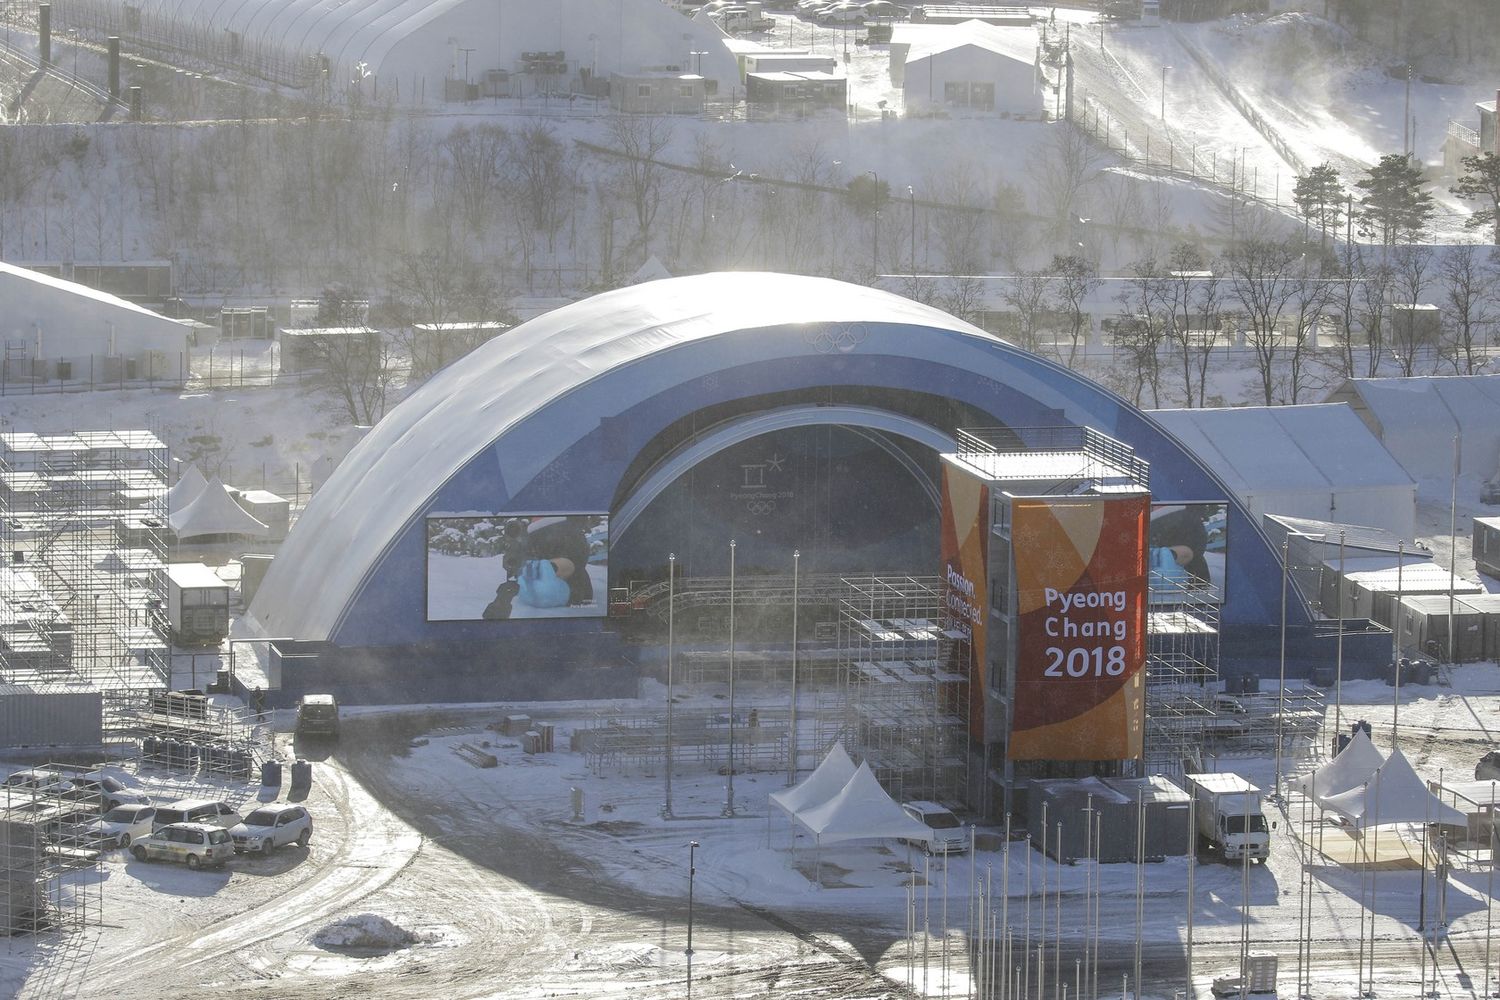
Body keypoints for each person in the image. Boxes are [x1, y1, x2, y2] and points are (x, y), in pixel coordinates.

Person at [482, 516, 597, 619]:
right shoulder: (533, 538)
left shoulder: (546, 535)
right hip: (575, 592)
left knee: (547, 567)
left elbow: (572, 562)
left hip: (571, 591)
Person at [1149, 504, 1215, 586]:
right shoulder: (1185, 514)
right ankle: (1200, 584)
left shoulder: (1178, 515)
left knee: (1193, 560)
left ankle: (1199, 584)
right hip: (1188, 542)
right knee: (1194, 560)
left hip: (1186, 542)